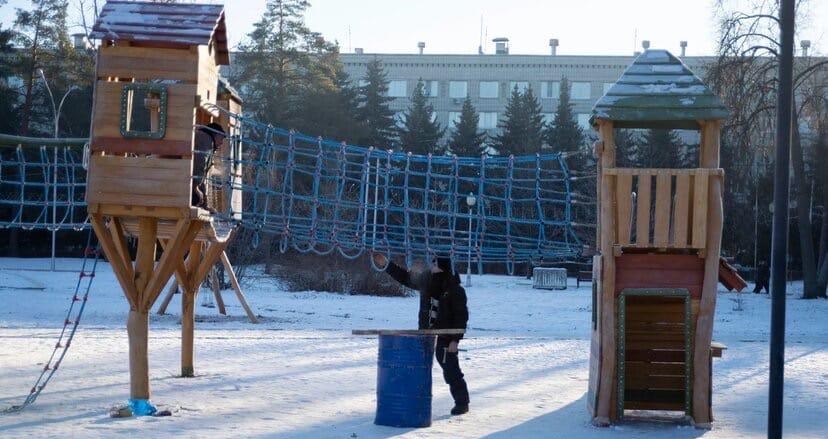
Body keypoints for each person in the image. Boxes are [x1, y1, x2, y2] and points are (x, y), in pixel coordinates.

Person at [372, 253, 470, 416]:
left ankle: (462, 402)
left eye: (435, 262)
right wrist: (387, 265)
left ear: (443, 267)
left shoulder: (455, 289)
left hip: (447, 335)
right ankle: (414, 399)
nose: (431, 265)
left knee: (450, 367)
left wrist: (455, 340)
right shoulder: (426, 281)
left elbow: (461, 316)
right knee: (417, 366)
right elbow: (405, 277)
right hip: (425, 332)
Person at [192, 123, 226, 210]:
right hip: (186, 185)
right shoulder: (205, 140)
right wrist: (195, 188)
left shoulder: (206, 140)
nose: (222, 143)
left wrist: (205, 204)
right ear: (215, 135)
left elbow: (202, 174)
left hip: (187, 183)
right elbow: (199, 164)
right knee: (195, 199)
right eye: (221, 138)